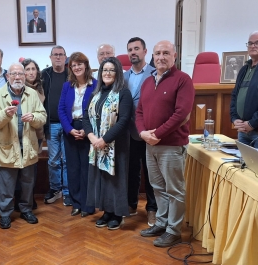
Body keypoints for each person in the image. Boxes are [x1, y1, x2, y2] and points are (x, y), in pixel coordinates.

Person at [136, 40, 194, 247]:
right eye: (157, 53)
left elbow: (181, 114)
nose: (161, 57)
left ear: (174, 56)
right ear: (152, 56)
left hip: (171, 145)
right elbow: (140, 111)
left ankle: (174, 230)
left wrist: (157, 134)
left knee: (175, 190)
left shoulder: (183, 80)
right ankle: (161, 223)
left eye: (165, 53)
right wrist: (143, 132)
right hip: (150, 145)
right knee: (158, 187)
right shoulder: (147, 82)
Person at [0, 63, 46, 229]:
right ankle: (5, 214)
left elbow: (43, 117)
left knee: (28, 183)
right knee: (6, 185)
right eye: (14, 74)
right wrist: (5, 114)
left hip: (28, 147)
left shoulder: (32, 94)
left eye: (20, 74)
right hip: (8, 148)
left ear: (25, 77)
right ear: (8, 76)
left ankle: (26, 210)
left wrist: (33, 117)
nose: (18, 77)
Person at [83, 57, 133, 230]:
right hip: (96, 144)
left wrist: (105, 140)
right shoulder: (95, 94)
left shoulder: (123, 93)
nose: (108, 73)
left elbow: (124, 120)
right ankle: (106, 211)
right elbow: (86, 117)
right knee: (102, 178)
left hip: (116, 145)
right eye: (105, 70)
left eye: (112, 70)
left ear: (118, 73)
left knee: (115, 179)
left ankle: (117, 214)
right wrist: (91, 137)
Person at [124, 37, 158, 227]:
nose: (133, 52)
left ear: (145, 52)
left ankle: (152, 209)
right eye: (130, 50)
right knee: (132, 170)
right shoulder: (124, 76)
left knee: (150, 171)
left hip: (149, 132)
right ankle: (131, 204)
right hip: (129, 132)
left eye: (137, 48)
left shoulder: (155, 74)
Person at [58, 52, 97, 217]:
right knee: (73, 168)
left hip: (89, 129)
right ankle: (76, 203)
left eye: (79, 64)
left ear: (86, 65)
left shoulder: (95, 85)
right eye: (73, 65)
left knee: (87, 168)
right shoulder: (67, 86)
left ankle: (88, 205)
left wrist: (87, 131)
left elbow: (98, 111)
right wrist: (69, 129)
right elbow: (61, 109)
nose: (77, 67)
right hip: (71, 129)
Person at [42, 45, 71, 205]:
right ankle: (55, 189)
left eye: (61, 54)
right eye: (55, 55)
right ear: (50, 57)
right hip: (51, 124)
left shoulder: (71, 74)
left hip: (67, 124)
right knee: (53, 160)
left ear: (65, 57)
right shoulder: (44, 75)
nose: (58, 57)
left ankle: (67, 191)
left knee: (67, 160)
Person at [230, 30, 258, 150]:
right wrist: (235, 119)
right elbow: (235, 95)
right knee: (241, 167)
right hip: (243, 130)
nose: (253, 46)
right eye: (250, 43)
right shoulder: (244, 68)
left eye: (257, 42)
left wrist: (252, 123)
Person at [20, 58, 46, 210]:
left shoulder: (41, 88)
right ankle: (21, 198)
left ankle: (30, 197)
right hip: (22, 132)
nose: (30, 72)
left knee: (33, 167)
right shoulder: (18, 88)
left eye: (33, 69)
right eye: (27, 69)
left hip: (38, 132)